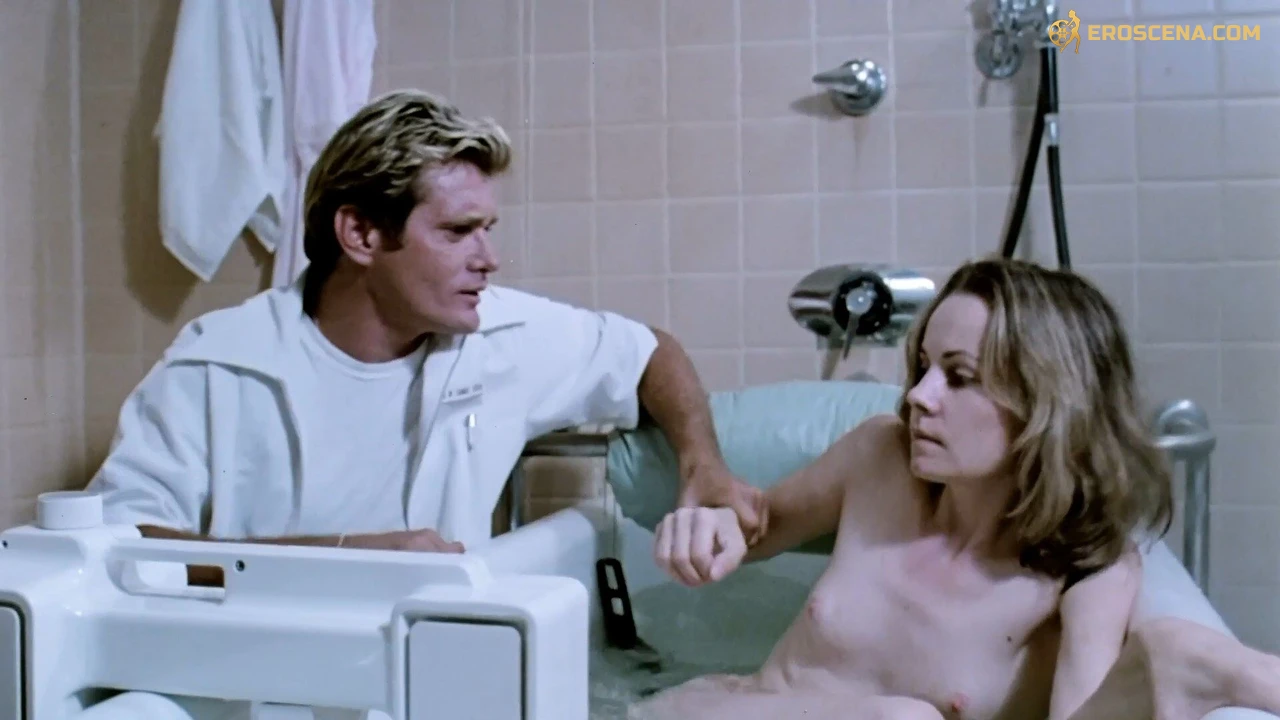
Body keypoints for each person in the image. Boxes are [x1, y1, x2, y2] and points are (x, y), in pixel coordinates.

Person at [84, 89, 763, 565]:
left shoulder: (497, 334)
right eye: (458, 232)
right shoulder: (219, 363)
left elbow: (649, 354)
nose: (489, 258)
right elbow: (116, 541)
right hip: (255, 684)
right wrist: (346, 558)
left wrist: (703, 465)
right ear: (360, 234)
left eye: (487, 229)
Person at [642, 258, 1280, 720]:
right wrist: (710, 527)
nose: (919, 396)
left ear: (1047, 404)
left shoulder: (1089, 575)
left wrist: (1141, 674)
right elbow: (753, 527)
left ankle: (1173, 662)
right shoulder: (879, 460)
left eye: (959, 377)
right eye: (923, 367)